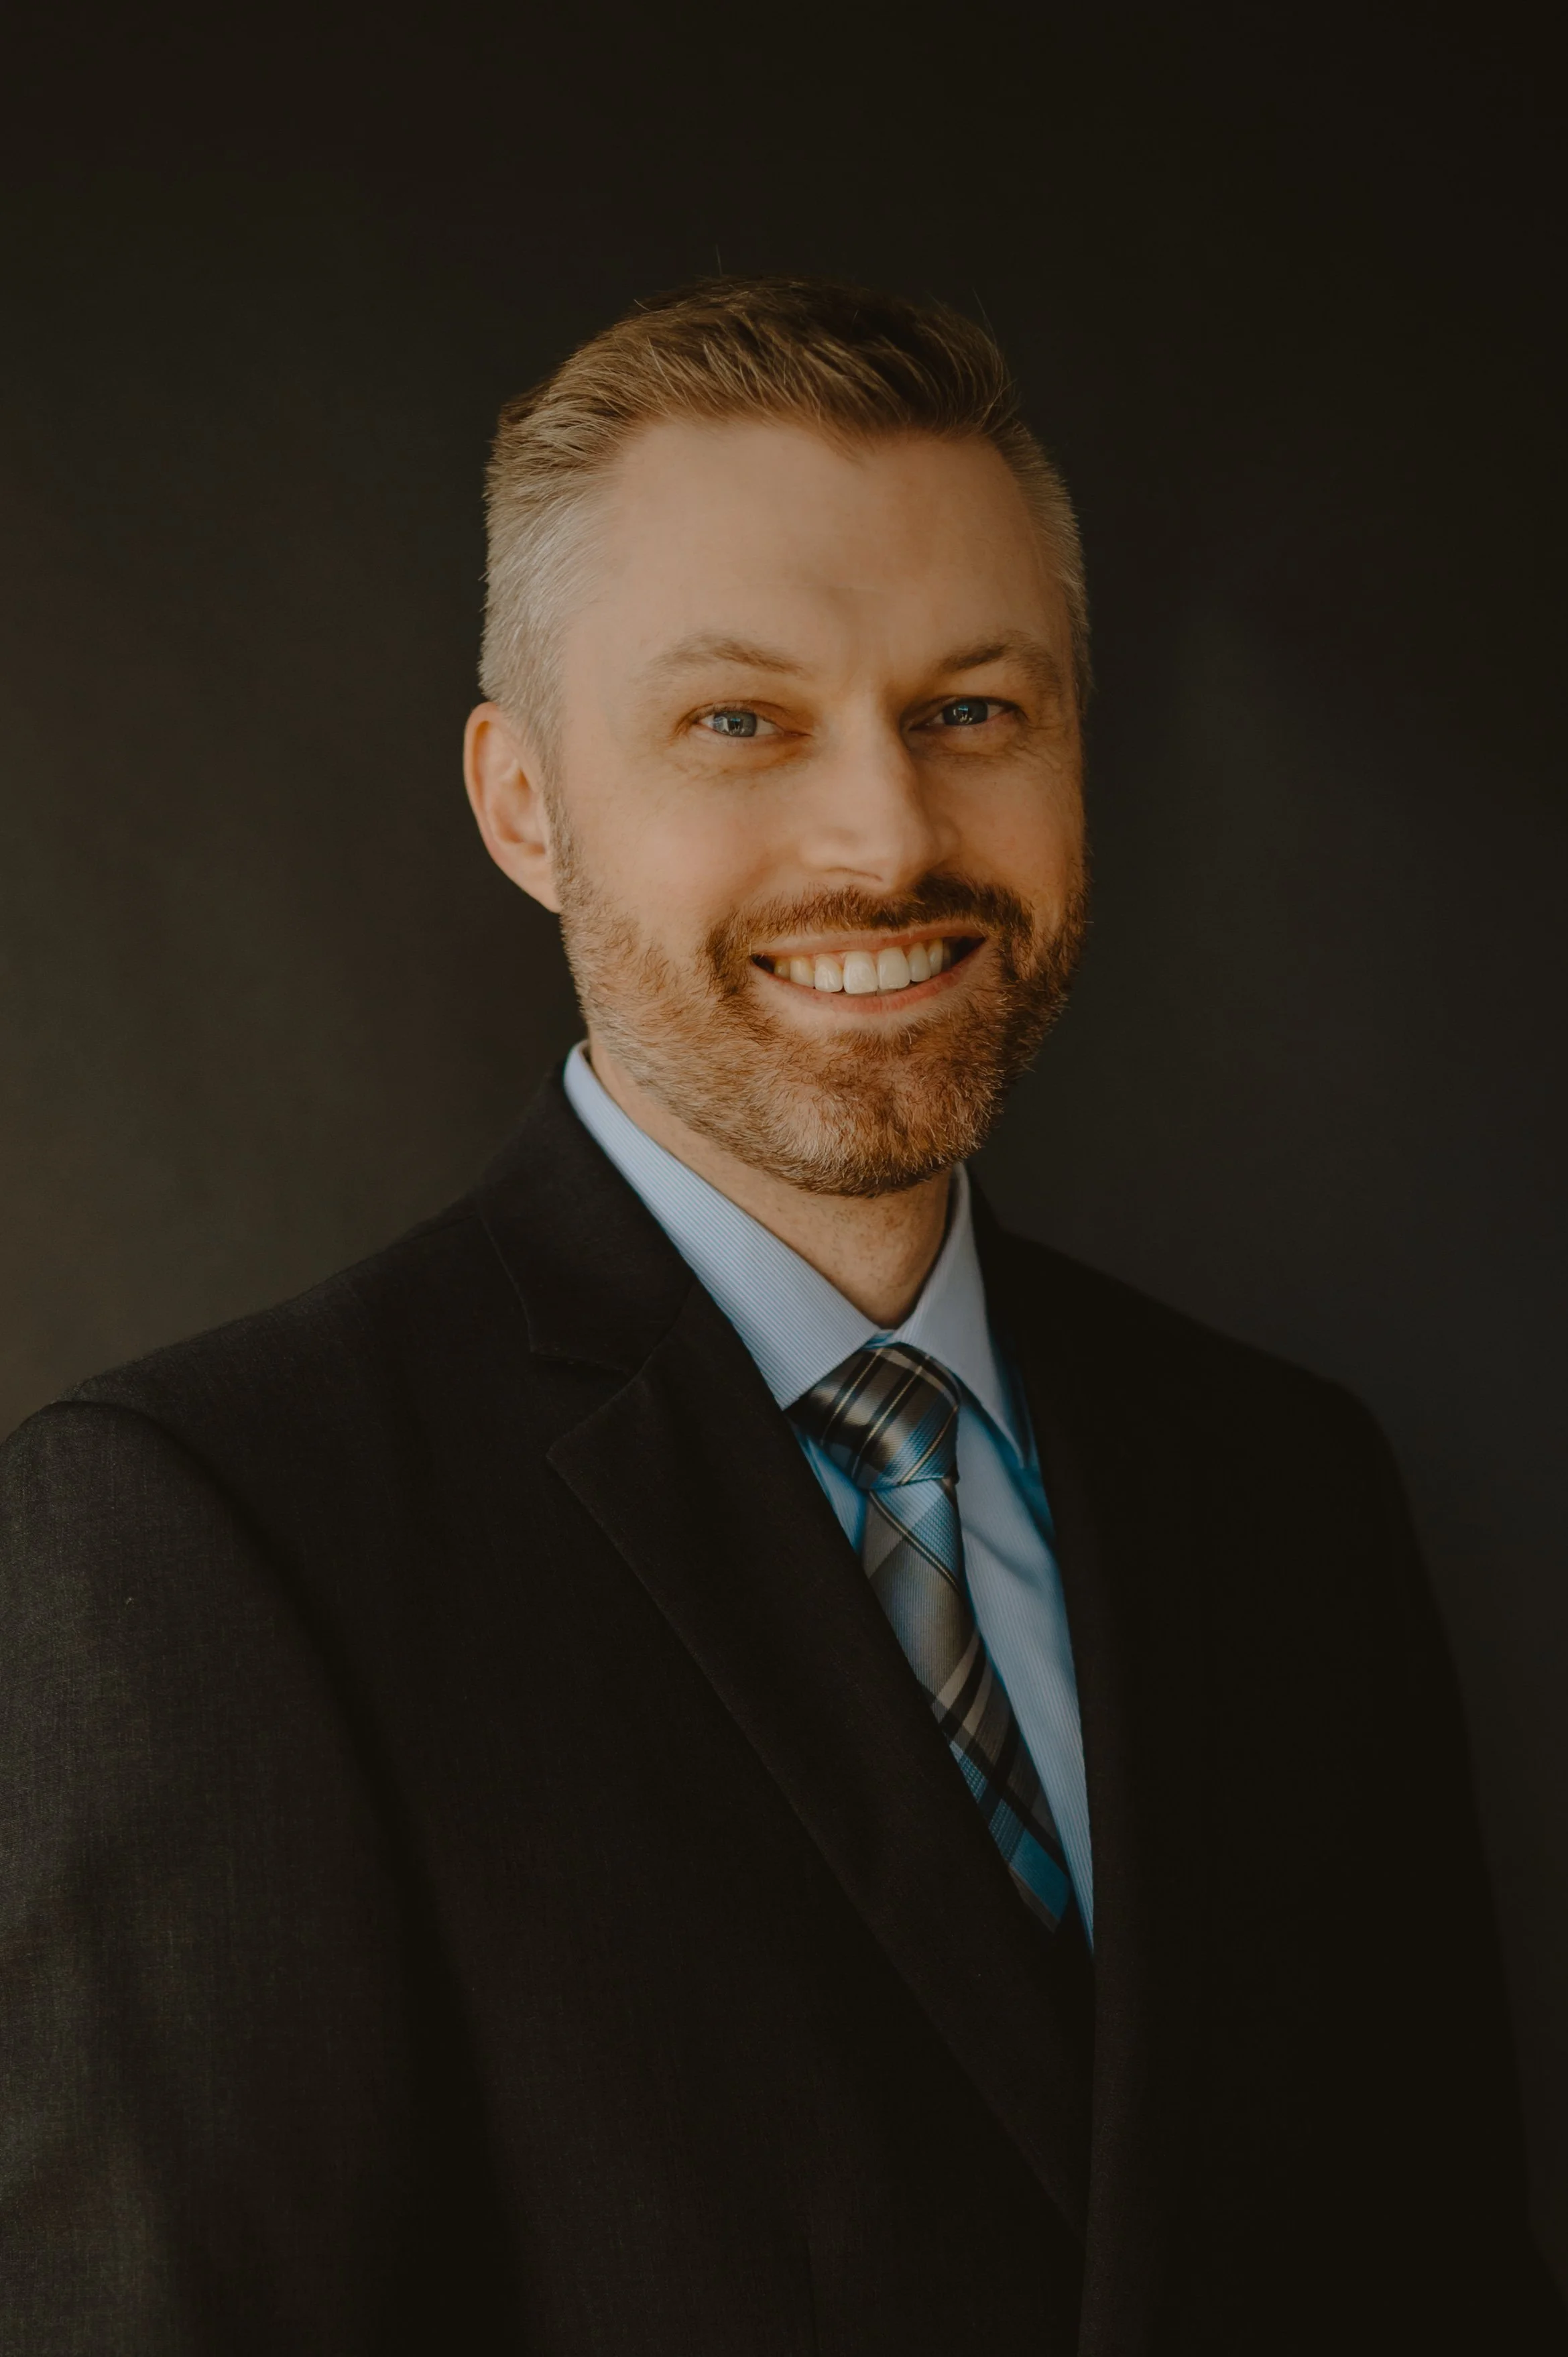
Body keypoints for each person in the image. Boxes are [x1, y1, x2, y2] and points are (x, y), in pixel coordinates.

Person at [0, 276, 1559, 2356]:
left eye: (973, 708)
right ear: (523, 802)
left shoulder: (1287, 1488)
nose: (887, 833)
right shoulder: (205, 1543)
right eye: (740, 719)